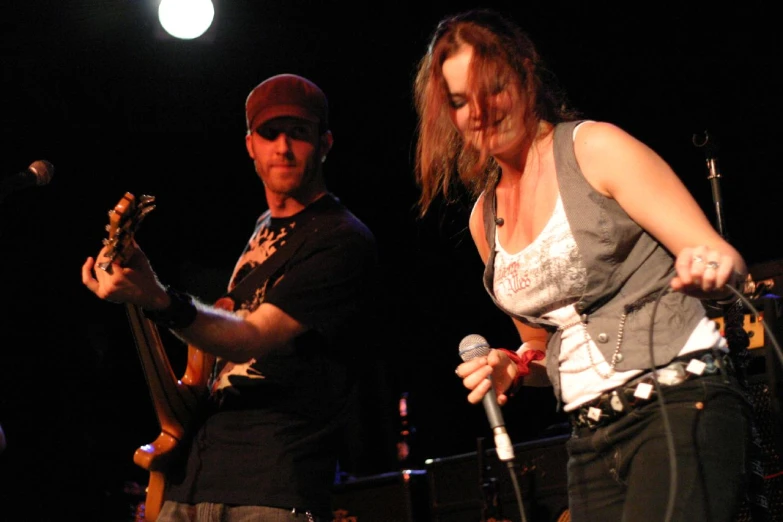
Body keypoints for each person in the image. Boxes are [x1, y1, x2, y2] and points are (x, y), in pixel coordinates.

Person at [413, 9, 753, 522]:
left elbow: (723, 258)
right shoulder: (487, 217)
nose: (479, 112)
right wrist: (513, 366)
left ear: (526, 71)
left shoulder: (594, 147)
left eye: (493, 88)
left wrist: (709, 268)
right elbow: (541, 347)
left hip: (680, 405)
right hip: (590, 440)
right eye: (461, 101)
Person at [82, 73, 379, 521]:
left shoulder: (341, 239)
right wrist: (144, 282)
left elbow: (251, 338)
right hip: (193, 480)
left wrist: (161, 299)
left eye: (299, 133)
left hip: (271, 488)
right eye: (270, 134)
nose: (283, 147)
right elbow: (216, 339)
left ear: (325, 143)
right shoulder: (262, 228)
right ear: (250, 146)